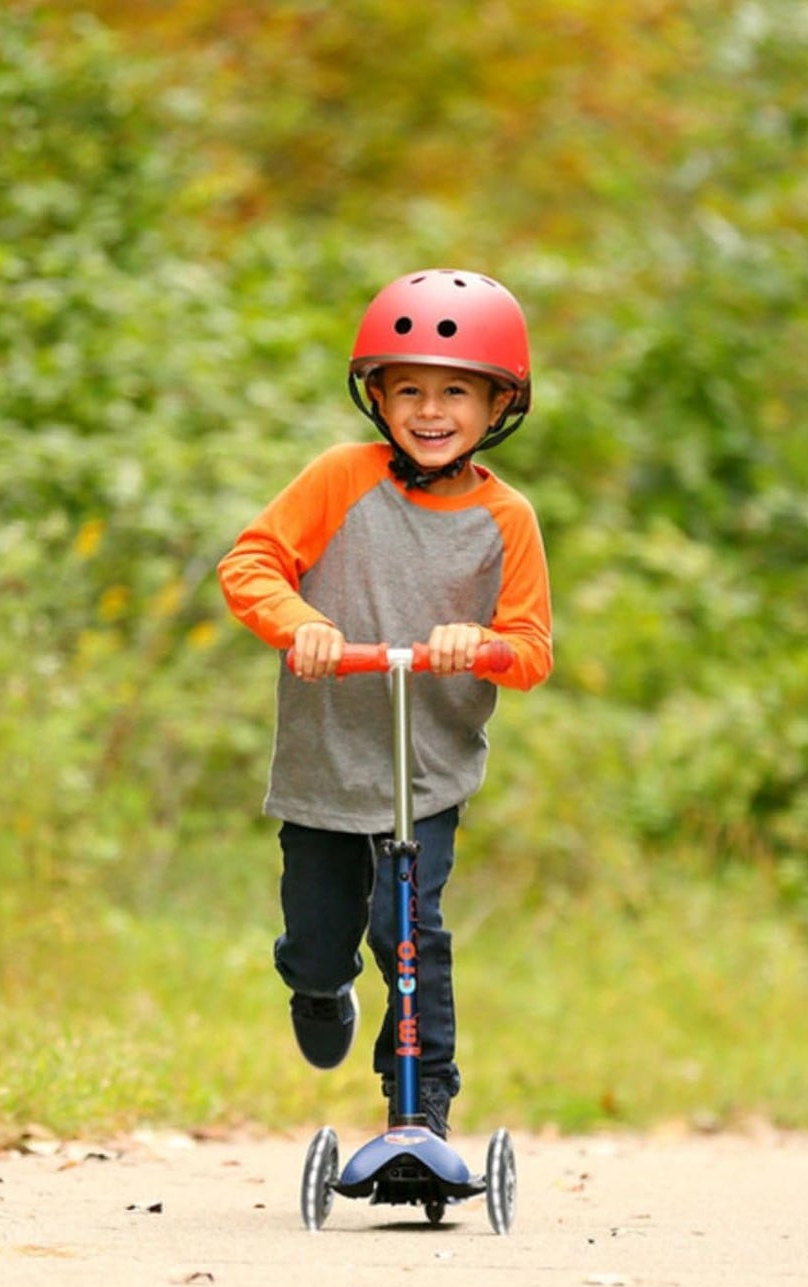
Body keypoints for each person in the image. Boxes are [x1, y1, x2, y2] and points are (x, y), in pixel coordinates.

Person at [217, 268, 554, 1138]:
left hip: (426, 772)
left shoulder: (507, 519)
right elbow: (250, 564)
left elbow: (530, 648)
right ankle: (317, 985)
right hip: (326, 763)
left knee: (409, 928)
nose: (430, 409)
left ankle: (422, 1106)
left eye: (454, 391)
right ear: (376, 396)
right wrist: (300, 624)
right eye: (408, 389)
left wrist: (477, 643)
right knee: (324, 934)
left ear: (497, 405)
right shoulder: (340, 477)